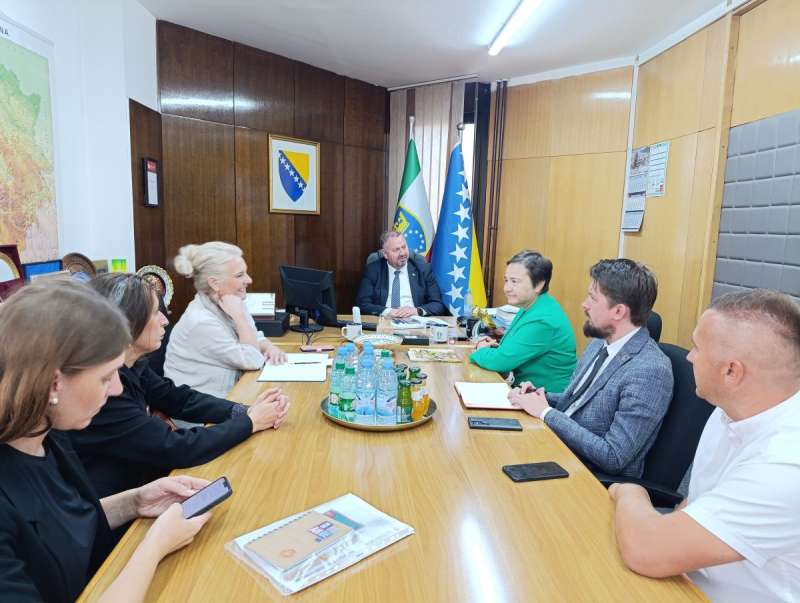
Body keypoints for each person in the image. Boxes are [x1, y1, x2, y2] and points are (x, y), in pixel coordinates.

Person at [0, 279, 212, 602]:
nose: (116, 389)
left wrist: (135, 501)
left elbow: (62, 524)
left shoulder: (47, 437)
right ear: (54, 383)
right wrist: (155, 545)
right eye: (105, 377)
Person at [609, 289, 800, 602]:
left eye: (697, 347)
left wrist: (630, 491)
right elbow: (698, 499)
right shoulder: (728, 410)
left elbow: (647, 550)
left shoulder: (786, 465)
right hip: (687, 581)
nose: (689, 357)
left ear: (731, 371)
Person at [69, 273, 291, 499]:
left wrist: (243, 411)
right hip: (116, 508)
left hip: (144, 488)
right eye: (155, 313)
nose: (165, 320)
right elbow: (175, 448)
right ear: (126, 323)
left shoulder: (133, 365)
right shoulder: (106, 391)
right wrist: (250, 422)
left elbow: (179, 399)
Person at [508, 259, 672, 478]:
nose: (585, 305)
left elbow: (614, 456)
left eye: (593, 298)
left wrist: (546, 413)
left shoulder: (650, 370)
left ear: (618, 311)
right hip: (556, 446)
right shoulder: (599, 342)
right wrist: (539, 397)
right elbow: (576, 401)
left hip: (587, 474)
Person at [165, 241, 286, 399]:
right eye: (240, 275)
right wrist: (240, 318)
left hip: (229, 394)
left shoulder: (231, 300)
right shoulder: (201, 322)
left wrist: (269, 347)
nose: (249, 280)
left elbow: (254, 338)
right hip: (200, 409)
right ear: (214, 283)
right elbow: (253, 360)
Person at [469, 250, 576, 391]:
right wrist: (496, 348)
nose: (506, 288)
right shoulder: (531, 306)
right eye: (506, 280)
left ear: (539, 285)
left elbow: (501, 362)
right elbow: (510, 350)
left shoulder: (543, 320)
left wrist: (480, 350)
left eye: (514, 281)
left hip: (545, 398)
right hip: (525, 392)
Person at [355, 231, 446, 317]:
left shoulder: (423, 269)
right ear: (385, 254)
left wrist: (417, 311)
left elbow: (437, 304)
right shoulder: (373, 270)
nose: (402, 253)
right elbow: (362, 303)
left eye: (404, 247)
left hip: (415, 321)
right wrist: (388, 311)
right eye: (396, 250)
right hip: (384, 320)